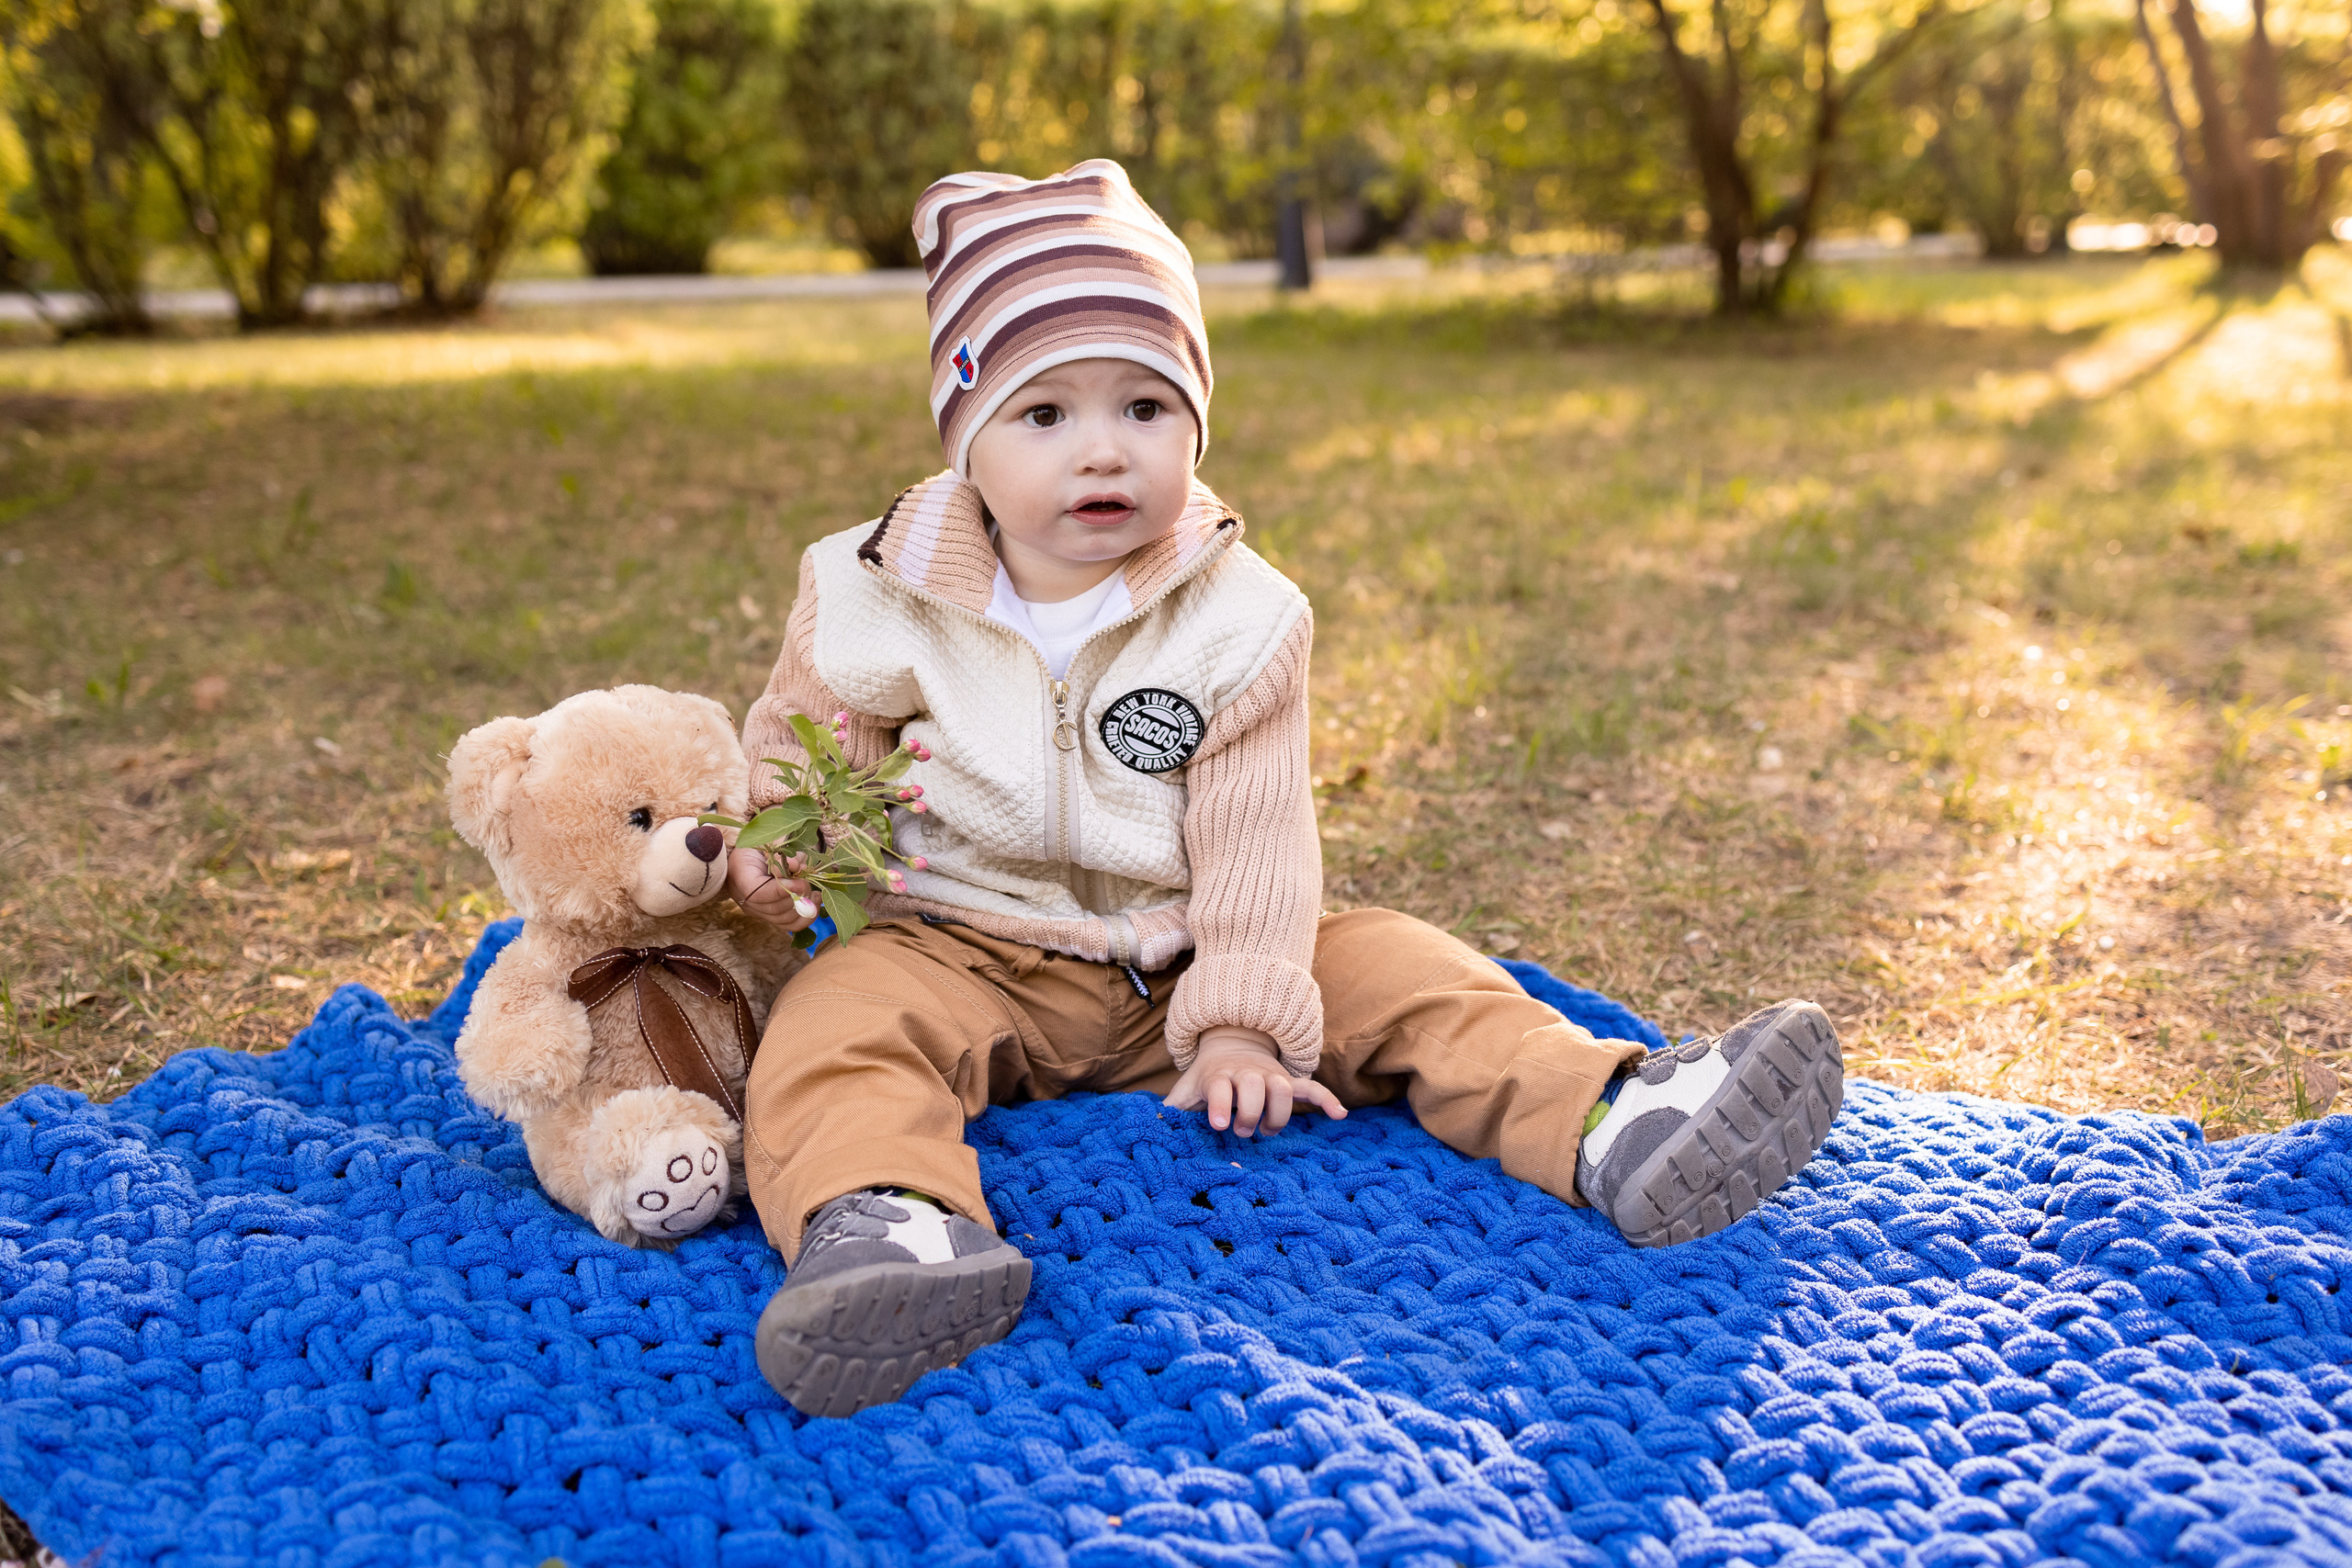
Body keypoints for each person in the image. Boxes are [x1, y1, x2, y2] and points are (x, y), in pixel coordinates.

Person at [728, 160, 1844, 1419]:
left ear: (1195, 420)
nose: (1104, 448)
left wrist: (1245, 1020)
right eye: (1045, 414)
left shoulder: (1240, 618)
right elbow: (808, 754)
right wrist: (784, 851)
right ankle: (886, 1223)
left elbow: (1256, 836)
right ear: (963, 431)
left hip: (1184, 957)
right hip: (956, 945)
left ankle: (1612, 1117)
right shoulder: (872, 590)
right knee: (832, 1023)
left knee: (1400, 965)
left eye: (1146, 405)